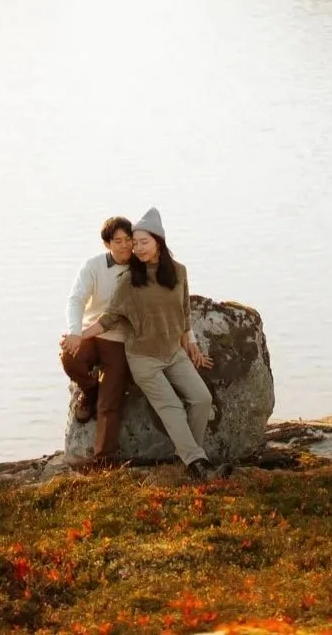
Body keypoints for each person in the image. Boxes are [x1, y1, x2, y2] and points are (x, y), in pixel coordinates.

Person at [96, 206, 219, 480]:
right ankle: (197, 463)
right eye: (134, 243)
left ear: (159, 243)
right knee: (172, 406)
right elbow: (111, 316)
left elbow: (184, 312)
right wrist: (80, 334)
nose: (137, 248)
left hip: (173, 353)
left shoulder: (178, 272)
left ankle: (187, 454)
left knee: (201, 398)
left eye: (143, 242)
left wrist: (192, 344)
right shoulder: (130, 280)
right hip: (143, 358)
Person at [59, 215, 137, 467]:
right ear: (107, 244)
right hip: (90, 333)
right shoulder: (92, 267)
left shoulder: (140, 267)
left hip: (119, 340)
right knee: (69, 355)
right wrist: (74, 331)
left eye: (129, 240)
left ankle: (103, 460)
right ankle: (89, 390)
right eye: (118, 241)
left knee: (110, 401)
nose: (125, 246)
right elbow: (76, 299)